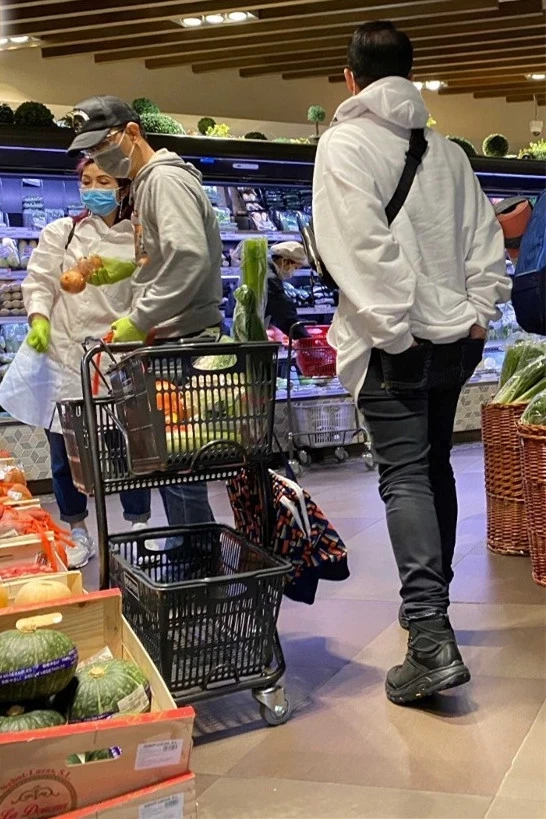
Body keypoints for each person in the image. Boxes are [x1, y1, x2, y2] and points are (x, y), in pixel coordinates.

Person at [313, 22, 511, 705]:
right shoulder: (447, 150)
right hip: (456, 341)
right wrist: (478, 313)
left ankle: (429, 640)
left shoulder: (344, 143)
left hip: (393, 343)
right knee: (432, 467)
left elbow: (360, 250)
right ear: (410, 74)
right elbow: (486, 239)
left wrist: (394, 334)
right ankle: (432, 607)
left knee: (404, 477)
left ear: (350, 77)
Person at [66, 96, 224, 527]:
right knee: (174, 467)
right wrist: (129, 269)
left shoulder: (163, 181)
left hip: (183, 342)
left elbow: (188, 257)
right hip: (172, 338)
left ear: (132, 133)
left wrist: (140, 318)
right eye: (92, 152)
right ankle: (189, 546)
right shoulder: (147, 182)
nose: (100, 157)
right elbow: (168, 254)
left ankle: (195, 553)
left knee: (180, 467)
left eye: (103, 146)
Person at [0, 159, 154, 568]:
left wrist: (135, 326)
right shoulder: (62, 232)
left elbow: (149, 294)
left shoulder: (139, 238)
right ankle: (77, 532)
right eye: (87, 181)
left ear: (123, 187)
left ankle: (139, 529)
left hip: (117, 358)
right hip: (66, 358)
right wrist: (39, 319)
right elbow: (40, 281)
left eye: (104, 181)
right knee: (64, 456)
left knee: (127, 449)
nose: (93, 189)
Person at [266, 241, 308, 340]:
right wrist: (303, 337)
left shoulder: (262, 269)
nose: (293, 272)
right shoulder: (270, 279)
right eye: (295, 268)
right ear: (285, 261)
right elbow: (284, 313)